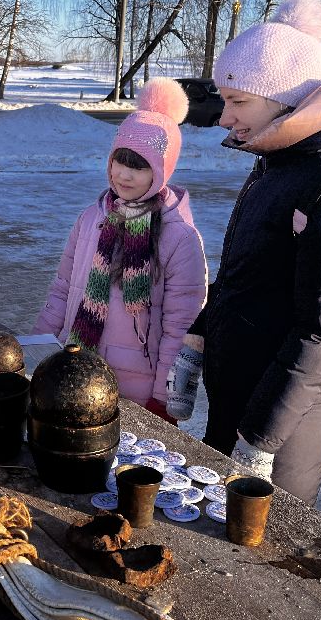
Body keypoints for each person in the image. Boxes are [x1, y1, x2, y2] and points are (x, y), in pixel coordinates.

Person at [168, 0, 321, 505]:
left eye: (239, 101)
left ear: (286, 98)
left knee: (259, 561)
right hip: (239, 398)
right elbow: (244, 277)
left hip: (284, 426)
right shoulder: (275, 165)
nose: (225, 118)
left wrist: (261, 439)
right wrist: (197, 340)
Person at [33, 77, 208, 424]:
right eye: (119, 161)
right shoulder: (91, 219)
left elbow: (181, 327)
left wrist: (164, 400)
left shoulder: (179, 237)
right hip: (79, 369)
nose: (124, 175)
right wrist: (39, 349)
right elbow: (63, 291)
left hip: (139, 391)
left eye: (139, 165)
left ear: (161, 170)